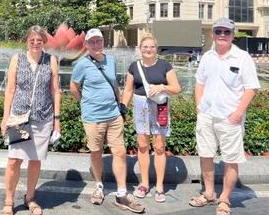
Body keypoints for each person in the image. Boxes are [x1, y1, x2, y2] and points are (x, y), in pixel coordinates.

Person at [188, 18, 260, 215]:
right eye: (218, 31)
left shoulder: (242, 57)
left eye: (226, 32)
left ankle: (225, 199)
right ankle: (209, 193)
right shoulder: (208, 57)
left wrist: (237, 114)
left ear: (233, 35)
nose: (222, 35)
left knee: (231, 159)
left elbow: (251, 88)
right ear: (212, 34)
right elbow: (199, 82)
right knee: (206, 155)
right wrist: (199, 108)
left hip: (229, 118)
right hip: (207, 115)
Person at [70, 28, 144, 213]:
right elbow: (73, 87)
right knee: (96, 152)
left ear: (103, 42)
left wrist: (120, 106)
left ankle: (122, 193)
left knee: (119, 151)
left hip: (113, 115)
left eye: (99, 41)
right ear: (86, 44)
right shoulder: (82, 64)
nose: (96, 45)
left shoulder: (110, 61)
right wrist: (85, 103)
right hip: (93, 117)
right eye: (92, 42)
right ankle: (98, 185)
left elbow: (115, 85)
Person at [0, 25, 61, 215]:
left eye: (39, 40)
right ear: (27, 41)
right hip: (19, 117)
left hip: (43, 117)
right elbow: (10, 90)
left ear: (44, 41)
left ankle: (30, 197)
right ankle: (9, 201)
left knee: (35, 160)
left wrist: (56, 120)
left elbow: (55, 91)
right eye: (32, 40)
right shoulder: (17, 59)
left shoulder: (50, 60)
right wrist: (5, 118)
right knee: (14, 160)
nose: (35, 43)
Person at [121, 33, 181, 203]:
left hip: (159, 107)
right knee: (142, 145)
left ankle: (160, 186)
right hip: (140, 107)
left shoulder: (164, 65)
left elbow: (176, 88)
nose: (148, 50)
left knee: (159, 147)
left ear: (156, 49)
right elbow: (128, 90)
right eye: (145, 47)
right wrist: (123, 107)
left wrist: (162, 87)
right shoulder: (134, 66)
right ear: (140, 49)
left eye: (152, 47)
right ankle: (145, 183)